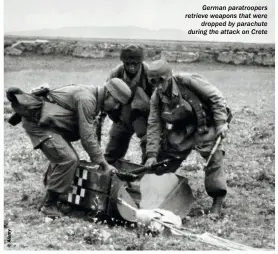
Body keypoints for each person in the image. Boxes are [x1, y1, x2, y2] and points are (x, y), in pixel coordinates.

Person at [6, 78, 132, 218]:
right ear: (108, 94)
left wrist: (99, 159)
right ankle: (49, 205)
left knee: (65, 156)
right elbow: (87, 137)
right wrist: (103, 163)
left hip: (50, 125)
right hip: (39, 124)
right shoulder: (87, 99)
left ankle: (53, 193)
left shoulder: (92, 98)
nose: (115, 107)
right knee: (68, 159)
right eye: (116, 102)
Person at [145, 59, 230, 215]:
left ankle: (217, 201)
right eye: (153, 82)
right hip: (184, 129)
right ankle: (159, 192)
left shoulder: (188, 81)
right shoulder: (156, 98)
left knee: (214, 158)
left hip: (207, 123)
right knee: (166, 157)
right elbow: (154, 125)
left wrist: (220, 123)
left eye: (161, 81)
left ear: (169, 77)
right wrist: (151, 154)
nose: (158, 86)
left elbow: (216, 97)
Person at [104, 44, 154, 165]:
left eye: (135, 64)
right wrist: (114, 117)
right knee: (114, 145)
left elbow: (156, 101)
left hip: (144, 114)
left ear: (141, 62)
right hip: (123, 115)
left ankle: (147, 174)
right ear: (123, 63)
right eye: (128, 64)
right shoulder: (116, 73)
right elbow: (106, 98)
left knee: (149, 146)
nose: (132, 68)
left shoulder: (149, 73)